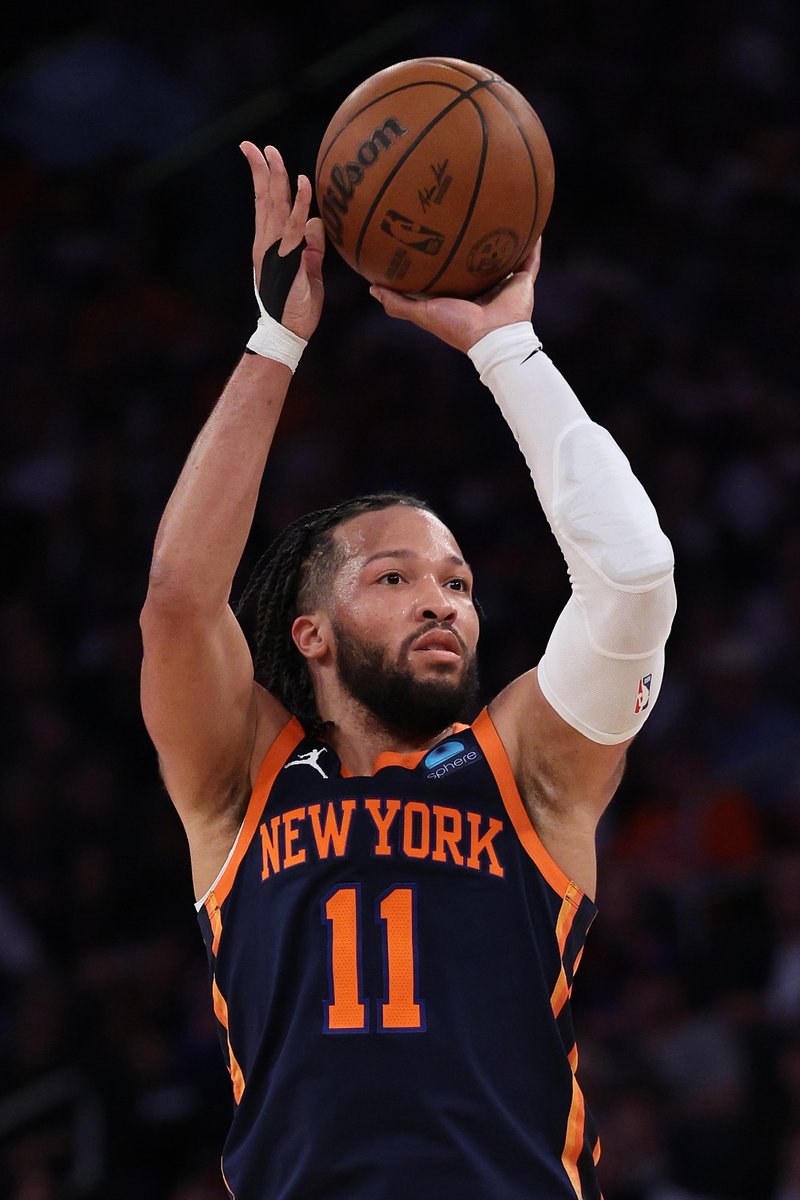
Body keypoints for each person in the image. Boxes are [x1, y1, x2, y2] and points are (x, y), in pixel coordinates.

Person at [139, 142, 677, 1200]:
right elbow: (177, 603)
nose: (442, 600)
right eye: (393, 578)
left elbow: (632, 579)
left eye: (459, 583)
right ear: (309, 633)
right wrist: (273, 341)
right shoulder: (239, 780)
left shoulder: (524, 769)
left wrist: (508, 349)